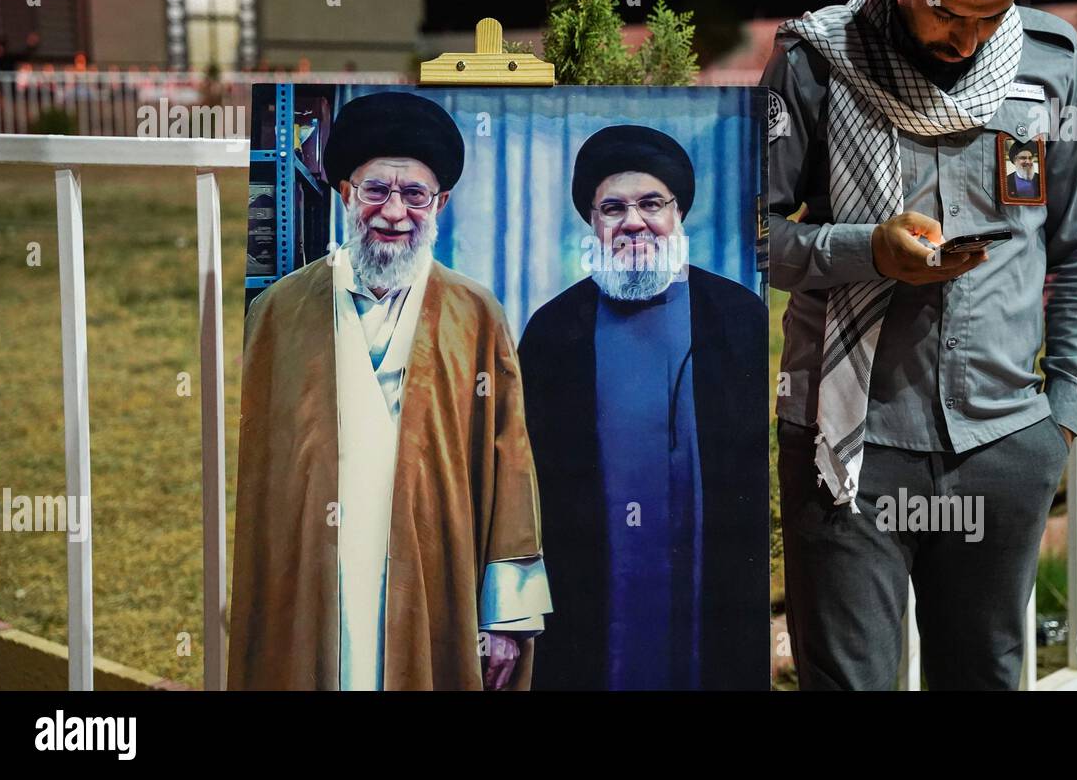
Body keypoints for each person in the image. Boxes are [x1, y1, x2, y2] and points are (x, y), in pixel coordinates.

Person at [765, 0, 1077, 690]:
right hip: (844, 446)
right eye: (947, 11)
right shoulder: (817, 61)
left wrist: (1060, 415)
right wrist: (866, 251)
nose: (967, 40)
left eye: (991, 18)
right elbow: (749, 237)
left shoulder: (1051, 65)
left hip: (1002, 442)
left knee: (984, 675)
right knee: (849, 681)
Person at [229, 91, 551, 691]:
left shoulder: (476, 313)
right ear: (348, 194)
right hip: (314, 586)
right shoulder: (279, 313)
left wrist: (506, 617)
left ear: (441, 204)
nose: (394, 211)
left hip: (432, 579)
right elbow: (253, 478)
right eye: (376, 190)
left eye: (415, 195)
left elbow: (511, 462)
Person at [518, 125, 770, 690]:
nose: (633, 221)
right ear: (593, 222)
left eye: (651, 203)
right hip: (589, 598)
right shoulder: (553, 331)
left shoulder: (738, 316)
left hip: (715, 598)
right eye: (613, 208)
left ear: (678, 212)